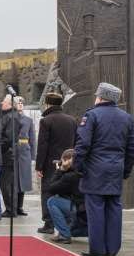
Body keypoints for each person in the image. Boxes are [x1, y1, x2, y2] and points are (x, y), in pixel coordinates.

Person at [73, 82, 134, 256]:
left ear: (100, 97)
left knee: (95, 209)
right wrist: (126, 171)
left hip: (94, 170)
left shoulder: (92, 116)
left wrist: (78, 167)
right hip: (116, 170)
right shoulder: (126, 118)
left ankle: (98, 249)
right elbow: (132, 148)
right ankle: (112, 249)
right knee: (114, 209)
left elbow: (83, 145)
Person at [36, 92, 77, 232]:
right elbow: (76, 143)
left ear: (47, 103)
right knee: (66, 192)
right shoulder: (71, 120)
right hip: (69, 163)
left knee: (48, 191)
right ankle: (67, 222)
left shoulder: (46, 120)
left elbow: (42, 145)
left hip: (50, 164)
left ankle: (49, 223)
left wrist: (39, 166)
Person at [45, 149, 84, 244]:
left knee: (52, 201)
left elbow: (50, 188)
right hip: (84, 212)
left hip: (78, 211)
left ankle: (64, 235)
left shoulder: (70, 176)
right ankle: (69, 231)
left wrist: (60, 169)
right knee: (61, 199)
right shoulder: (81, 171)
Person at [10, 97, 36, 218]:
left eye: (22, 103)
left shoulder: (29, 120)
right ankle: (12, 207)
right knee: (14, 180)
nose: (20, 105)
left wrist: (33, 156)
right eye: (18, 103)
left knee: (24, 180)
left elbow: (32, 138)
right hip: (13, 149)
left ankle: (20, 207)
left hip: (25, 150)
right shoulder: (11, 118)